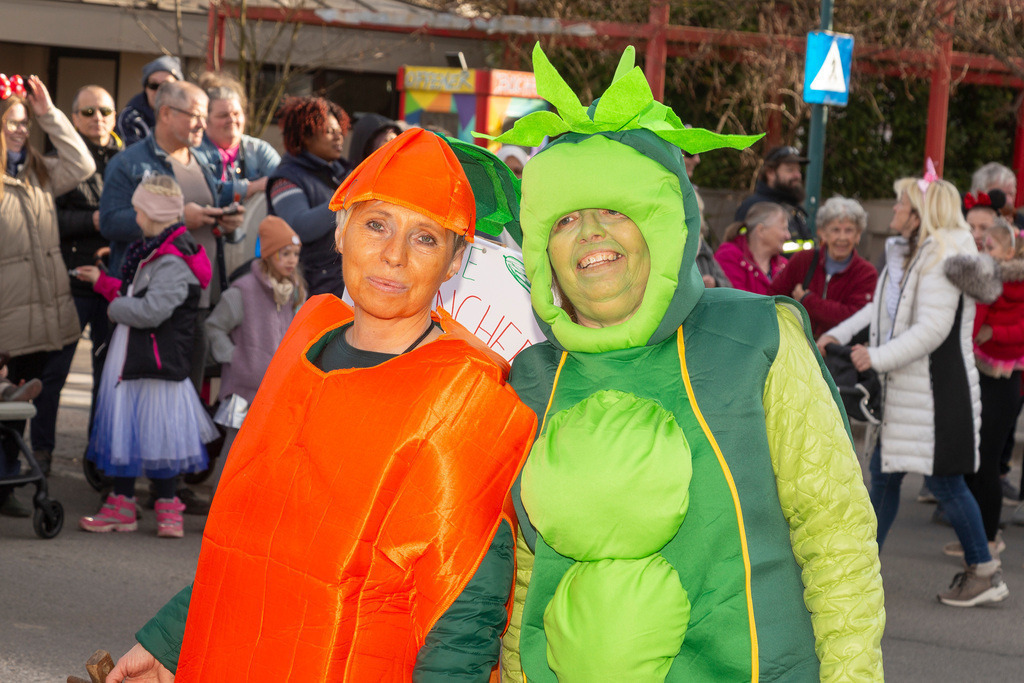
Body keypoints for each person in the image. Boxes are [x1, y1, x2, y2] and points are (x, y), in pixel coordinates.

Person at [490, 44, 883, 680]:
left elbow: (834, 536)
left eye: (616, 210)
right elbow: (526, 575)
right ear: (542, 249)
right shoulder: (532, 378)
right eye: (565, 220)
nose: (592, 235)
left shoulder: (754, 339)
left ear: (664, 223)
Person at [106, 128, 537, 681]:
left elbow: (466, 601)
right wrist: (169, 642)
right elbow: (248, 530)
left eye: (425, 237)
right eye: (376, 224)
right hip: (232, 653)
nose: (393, 255)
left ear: (456, 263)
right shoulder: (309, 336)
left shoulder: (471, 390)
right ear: (340, 231)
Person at [819, 176, 1008, 607]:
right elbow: (879, 308)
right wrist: (838, 333)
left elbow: (932, 330)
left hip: (937, 393)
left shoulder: (941, 256)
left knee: (944, 482)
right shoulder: (915, 252)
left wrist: (876, 358)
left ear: (921, 212)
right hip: (914, 390)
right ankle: (861, 572)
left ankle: (983, 570)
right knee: (887, 478)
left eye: (902, 202)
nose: (895, 209)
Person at [76, 174, 218, 538]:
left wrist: (114, 308)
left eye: (138, 210)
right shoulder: (158, 249)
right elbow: (137, 292)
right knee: (144, 428)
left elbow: (151, 310)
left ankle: (135, 504)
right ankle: (157, 507)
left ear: (152, 214)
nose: (134, 216)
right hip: (145, 355)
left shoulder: (172, 260)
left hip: (153, 360)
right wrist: (106, 284)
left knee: (151, 429)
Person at [0, 74, 94, 516]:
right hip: (6, 313)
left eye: (24, 122)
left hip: (43, 311)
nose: (20, 129)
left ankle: (9, 482)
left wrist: (48, 114)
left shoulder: (38, 170)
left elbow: (83, 165)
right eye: (12, 121)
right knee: (6, 401)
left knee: (21, 402)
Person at [31, 85, 124, 476]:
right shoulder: (59, 163)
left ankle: (97, 460)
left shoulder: (129, 161)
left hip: (113, 286)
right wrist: (92, 221)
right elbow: (44, 219)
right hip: (70, 284)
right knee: (53, 375)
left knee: (107, 379)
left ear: (115, 116)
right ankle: (41, 454)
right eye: (87, 112)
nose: (97, 118)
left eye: (104, 110)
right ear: (74, 119)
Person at [943, 217, 1023, 557]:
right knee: (975, 460)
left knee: (986, 461)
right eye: (982, 245)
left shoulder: (1014, 283)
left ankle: (988, 540)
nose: (983, 249)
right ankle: (976, 538)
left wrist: (992, 334)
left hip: (1005, 379)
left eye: (990, 246)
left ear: (1009, 252)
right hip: (981, 370)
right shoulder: (986, 276)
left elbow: (1016, 331)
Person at [205, 216, 306, 462]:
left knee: (264, 459)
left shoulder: (295, 293)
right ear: (270, 255)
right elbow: (215, 326)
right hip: (244, 391)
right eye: (285, 253)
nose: (292, 260)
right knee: (234, 456)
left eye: (295, 253)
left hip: (277, 393)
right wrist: (235, 357)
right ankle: (220, 501)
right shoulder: (243, 292)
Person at [266, 96, 352, 297]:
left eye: (340, 132)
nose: (338, 137)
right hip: (309, 287)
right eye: (330, 132)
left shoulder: (342, 171)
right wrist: (345, 198)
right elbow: (299, 227)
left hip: (342, 280)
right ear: (305, 135)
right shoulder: (286, 178)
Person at [768, 195, 877, 337]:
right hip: (796, 346)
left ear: (858, 236)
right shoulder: (803, 259)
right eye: (835, 230)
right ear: (822, 234)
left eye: (849, 230)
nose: (842, 237)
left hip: (838, 353)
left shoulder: (866, 273)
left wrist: (807, 300)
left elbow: (854, 319)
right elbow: (773, 298)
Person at [734, 144, 812, 247]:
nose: (797, 175)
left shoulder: (793, 208)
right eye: (790, 170)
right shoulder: (754, 207)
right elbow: (741, 251)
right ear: (770, 173)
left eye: (798, 170)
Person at [714, 201, 790, 294]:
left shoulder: (784, 265)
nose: (788, 235)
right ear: (761, 230)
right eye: (783, 229)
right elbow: (737, 302)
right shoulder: (729, 256)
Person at [683, 142, 730, 288]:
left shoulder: (703, 248)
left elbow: (728, 286)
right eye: (691, 152)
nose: (697, 159)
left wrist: (715, 283)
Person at [116, 55, 182, 148]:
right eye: (153, 85)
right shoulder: (129, 118)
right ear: (146, 88)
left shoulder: (189, 116)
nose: (159, 91)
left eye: (166, 86)